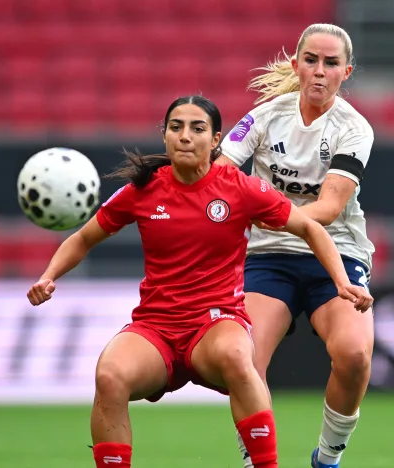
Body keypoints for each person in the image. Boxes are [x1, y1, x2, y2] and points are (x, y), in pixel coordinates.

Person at [26, 95, 371, 468]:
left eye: (197, 128)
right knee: (109, 374)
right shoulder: (142, 191)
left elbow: (308, 227)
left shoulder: (240, 187)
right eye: (176, 128)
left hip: (215, 322)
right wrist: (49, 276)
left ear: (216, 139)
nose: (185, 136)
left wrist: (340, 280)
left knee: (240, 358)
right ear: (165, 137)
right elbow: (83, 238)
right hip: (155, 328)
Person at [215, 23, 376, 468]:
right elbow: (219, 173)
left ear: (347, 71)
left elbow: (327, 208)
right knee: (243, 358)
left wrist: (253, 211)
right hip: (269, 254)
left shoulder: (354, 129)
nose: (319, 71)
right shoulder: (265, 117)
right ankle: (257, 460)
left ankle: (326, 459)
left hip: (336, 250)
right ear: (296, 64)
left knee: (355, 354)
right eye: (311, 60)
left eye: (330, 63)